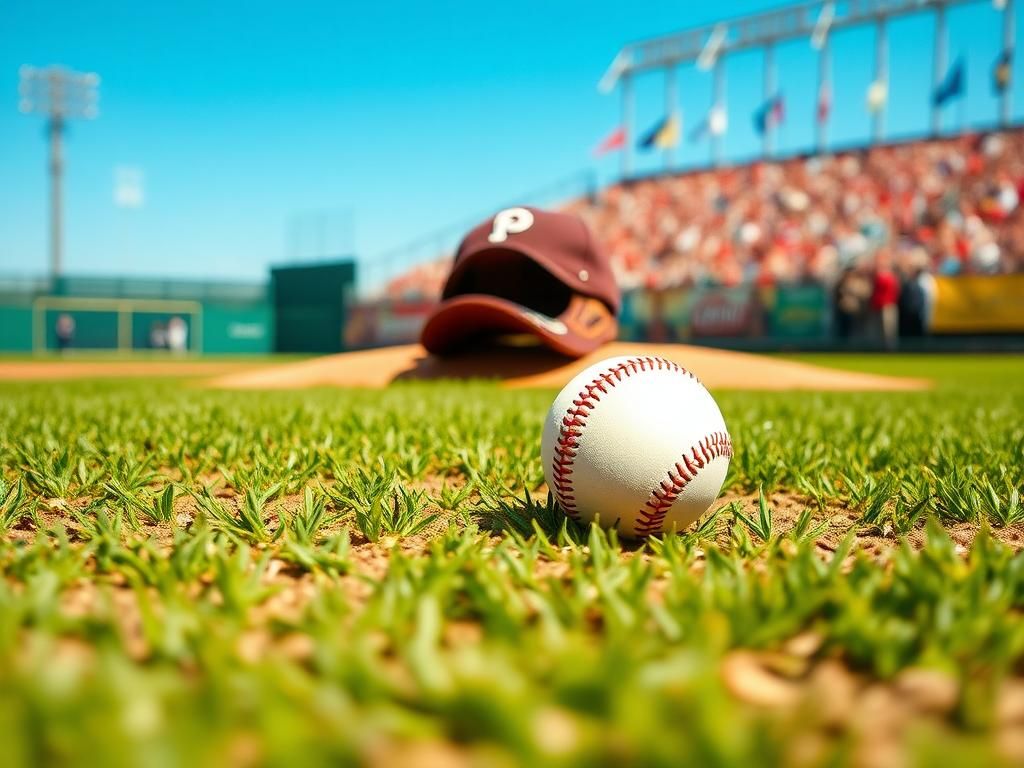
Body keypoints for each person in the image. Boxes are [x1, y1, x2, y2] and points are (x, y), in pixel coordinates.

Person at [870, 250, 901, 349]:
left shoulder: (890, 274)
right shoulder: (875, 273)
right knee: (877, 332)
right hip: (877, 307)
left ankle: (890, 351)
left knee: (888, 332)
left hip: (887, 306)